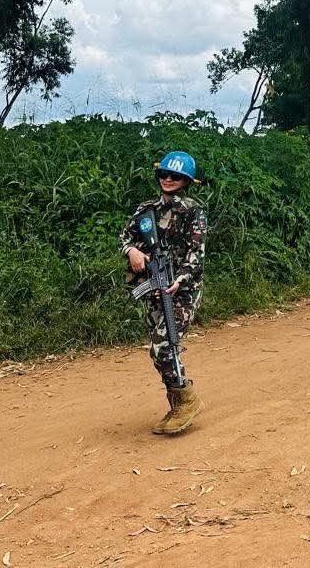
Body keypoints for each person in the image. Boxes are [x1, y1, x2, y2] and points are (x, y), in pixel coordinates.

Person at [120, 151, 206, 435]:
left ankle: (187, 400)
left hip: (183, 290)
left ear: (186, 181)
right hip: (154, 288)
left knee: (164, 345)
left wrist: (180, 278)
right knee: (159, 351)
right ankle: (177, 403)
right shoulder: (146, 209)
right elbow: (126, 237)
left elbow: (196, 254)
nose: (168, 179)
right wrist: (132, 251)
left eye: (175, 176)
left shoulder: (193, 211)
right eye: (164, 174)